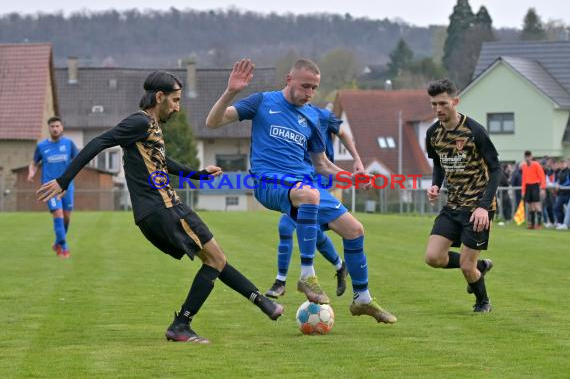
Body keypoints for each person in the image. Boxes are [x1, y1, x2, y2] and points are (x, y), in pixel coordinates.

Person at [36, 71, 283, 343]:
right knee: (215, 259)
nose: (178, 107)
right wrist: (64, 180)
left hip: (165, 208)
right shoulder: (140, 122)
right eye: (175, 100)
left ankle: (263, 304)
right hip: (162, 209)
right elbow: (99, 142)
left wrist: (199, 174)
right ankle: (182, 325)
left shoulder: (151, 126)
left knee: (216, 258)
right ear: (160, 97)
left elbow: (164, 162)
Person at [206, 58, 396, 324]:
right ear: (289, 80)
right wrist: (231, 92)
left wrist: (351, 178)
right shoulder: (263, 102)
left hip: (304, 184)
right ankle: (307, 276)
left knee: (354, 230)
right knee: (309, 195)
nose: (309, 93)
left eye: (314, 88)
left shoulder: (312, 117)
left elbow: (321, 164)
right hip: (268, 181)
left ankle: (362, 299)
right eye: (305, 86)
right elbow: (213, 123)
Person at [265, 105, 364, 299]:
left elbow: (343, 133)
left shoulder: (322, 115)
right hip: (297, 179)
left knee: (287, 225)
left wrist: (357, 160)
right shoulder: (284, 117)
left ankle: (280, 282)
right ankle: (339, 266)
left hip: (317, 179)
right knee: (313, 233)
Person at [424, 79, 501, 313]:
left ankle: (482, 302)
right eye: (434, 104)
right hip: (453, 205)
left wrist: (483, 207)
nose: (438, 109)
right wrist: (435, 185)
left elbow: (496, 169)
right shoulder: (433, 133)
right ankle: (480, 266)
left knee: (467, 267)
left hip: (477, 206)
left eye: (443, 104)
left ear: (455, 102)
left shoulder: (474, 131)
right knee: (433, 257)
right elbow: (438, 163)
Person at [28, 117, 79, 258]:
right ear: (48, 128)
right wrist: (31, 172)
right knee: (58, 214)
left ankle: (57, 242)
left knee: (67, 218)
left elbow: (79, 159)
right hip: (49, 187)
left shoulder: (69, 144)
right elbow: (34, 163)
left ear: (62, 127)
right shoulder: (41, 146)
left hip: (67, 186)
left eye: (57, 126)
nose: (55, 128)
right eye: (52, 126)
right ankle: (64, 247)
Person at [520, 151, 546, 229]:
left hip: (535, 185)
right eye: (526, 156)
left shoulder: (536, 165)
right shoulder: (524, 166)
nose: (527, 158)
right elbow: (524, 179)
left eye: (529, 156)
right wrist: (523, 190)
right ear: (524, 157)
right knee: (530, 206)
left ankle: (539, 224)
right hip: (528, 186)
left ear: (531, 157)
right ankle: (532, 224)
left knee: (537, 204)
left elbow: (542, 176)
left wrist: (543, 188)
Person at [554, 158, 570, 230]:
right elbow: (557, 181)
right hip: (561, 194)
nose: (562, 165)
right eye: (561, 164)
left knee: (567, 209)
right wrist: (556, 184)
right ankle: (561, 223)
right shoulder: (559, 172)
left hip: (567, 194)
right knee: (557, 207)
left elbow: (567, 182)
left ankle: (565, 224)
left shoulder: (568, 171)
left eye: (563, 163)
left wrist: (560, 186)